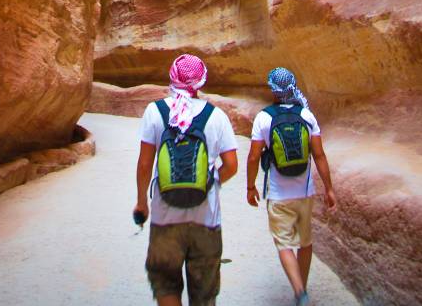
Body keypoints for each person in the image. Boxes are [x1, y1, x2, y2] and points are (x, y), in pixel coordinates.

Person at [134, 54, 238, 306]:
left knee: (166, 284)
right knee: (204, 294)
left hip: (164, 218)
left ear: (172, 77)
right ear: (201, 81)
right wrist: (209, 183)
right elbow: (232, 165)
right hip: (206, 220)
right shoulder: (216, 116)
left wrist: (142, 203)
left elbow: (145, 163)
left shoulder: (155, 111)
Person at [246, 67, 337, 306]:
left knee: (284, 244)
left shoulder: (264, 118)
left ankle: (298, 291)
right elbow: (319, 155)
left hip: (278, 194)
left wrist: (250, 187)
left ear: (273, 91)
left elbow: (254, 157)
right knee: (305, 243)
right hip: (305, 193)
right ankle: (302, 290)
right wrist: (329, 189)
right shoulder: (306, 116)